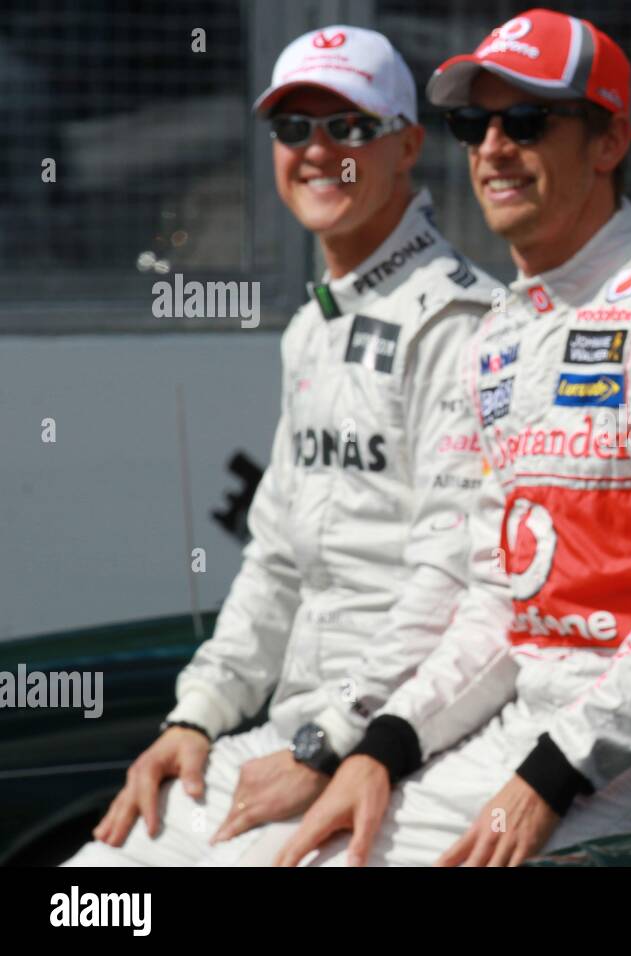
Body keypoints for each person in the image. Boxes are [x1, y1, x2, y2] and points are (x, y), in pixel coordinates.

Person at [273, 8, 631, 868]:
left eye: (526, 120)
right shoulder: (500, 335)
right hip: (525, 729)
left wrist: (552, 774)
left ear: (610, 139)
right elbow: (496, 603)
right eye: (473, 124)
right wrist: (386, 745)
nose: (493, 148)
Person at [64, 25, 497, 866]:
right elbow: (274, 564)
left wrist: (331, 742)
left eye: (350, 126)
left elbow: (454, 585)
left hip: (401, 749)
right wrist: (196, 715)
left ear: (408, 145)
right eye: (294, 128)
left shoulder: (463, 326)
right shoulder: (311, 329)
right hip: (291, 736)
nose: (318, 151)